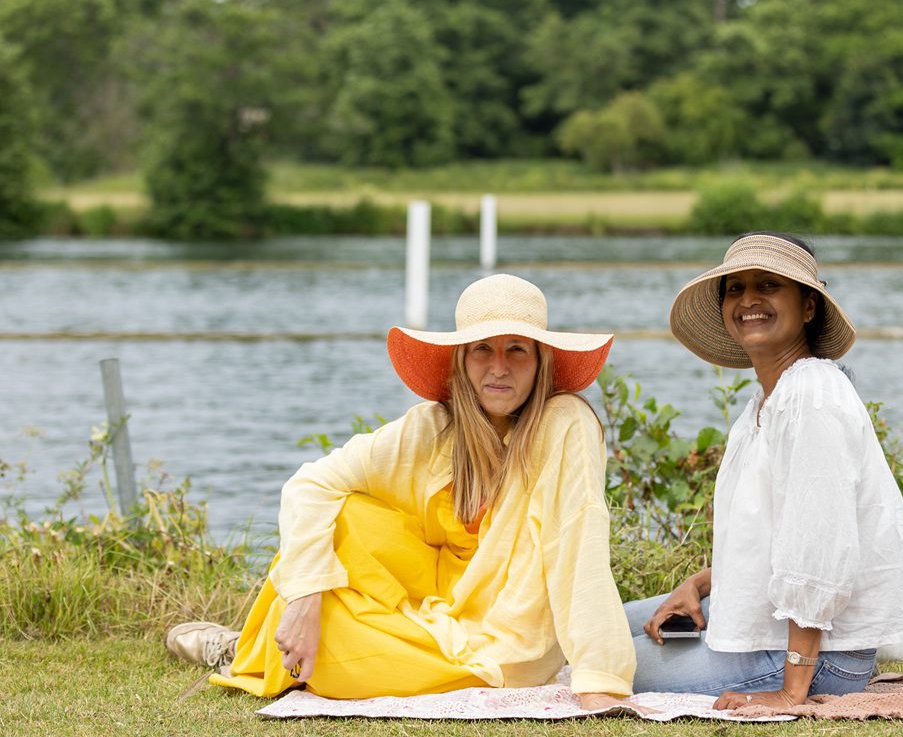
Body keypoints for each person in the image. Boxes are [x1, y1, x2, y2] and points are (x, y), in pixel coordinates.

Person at [165, 274, 635, 709]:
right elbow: (310, 485)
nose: (499, 368)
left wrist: (600, 679)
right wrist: (307, 597)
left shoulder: (565, 423)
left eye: (517, 350)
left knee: (331, 653)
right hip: (431, 614)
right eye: (481, 350)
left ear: (541, 363)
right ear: (461, 360)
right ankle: (271, 636)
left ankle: (241, 647)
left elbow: (579, 537)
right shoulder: (431, 428)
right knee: (341, 518)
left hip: (504, 645)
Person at [623, 231, 903, 711]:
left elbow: (818, 550)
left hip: (822, 656)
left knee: (599, 664)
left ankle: (789, 678)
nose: (749, 301)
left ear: (808, 306)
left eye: (768, 285)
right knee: (597, 627)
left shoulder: (812, 396)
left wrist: (791, 693)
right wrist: (698, 588)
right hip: (766, 628)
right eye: (736, 289)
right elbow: (773, 543)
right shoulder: (766, 402)